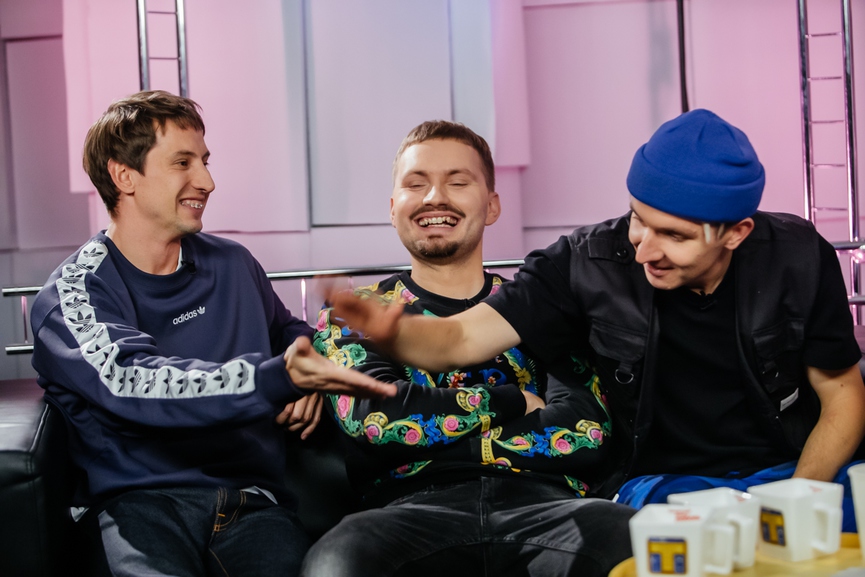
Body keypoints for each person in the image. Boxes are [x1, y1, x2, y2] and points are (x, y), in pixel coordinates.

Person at [332, 109, 865, 530]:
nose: (644, 250)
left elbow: (842, 394)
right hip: (662, 486)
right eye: (638, 220)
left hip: (793, 469)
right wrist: (394, 331)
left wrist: (797, 499)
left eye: (673, 236)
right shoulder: (584, 263)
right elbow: (458, 339)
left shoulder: (797, 256)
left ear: (736, 233)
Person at [29, 90, 395, 577]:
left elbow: (291, 334)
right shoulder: (73, 293)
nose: (207, 181)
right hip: (136, 507)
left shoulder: (234, 264)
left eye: (204, 161)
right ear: (124, 176)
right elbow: (135, 381)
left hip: (253, 504)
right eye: (183, 162)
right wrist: (278, 379)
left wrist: (310, 362)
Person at [301, 120, 635, 577]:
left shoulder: (542, 304)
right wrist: (516, 401)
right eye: (415, 184)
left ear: (492, 205)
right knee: (334, 562)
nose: (434, 197)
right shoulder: (356, 312)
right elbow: (379, 422)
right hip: (405, 512)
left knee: (635, 538)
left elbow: (585, 430)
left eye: (457, 182)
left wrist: (434, 429)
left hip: (549, 508)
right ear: (394, 208)